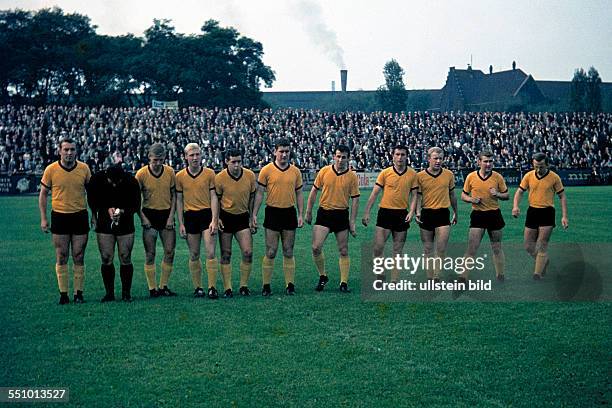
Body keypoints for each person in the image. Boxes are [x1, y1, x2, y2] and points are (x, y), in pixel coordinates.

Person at [39, 138, 91, 304]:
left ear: (76, 151)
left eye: (72, 150)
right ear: (59, 151)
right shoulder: (51, 170)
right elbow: (43, 194)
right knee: (61, 255)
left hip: (80, 215)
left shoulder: (84, 168)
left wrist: (95, 215)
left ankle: (78, 294)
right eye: (66, 149)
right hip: (60, 216)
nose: (69, 153)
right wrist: (44, 218)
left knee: (79, 255)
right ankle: (63, 294)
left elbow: (92, 194)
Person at [252, 138, 304, 296]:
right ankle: (266, 285)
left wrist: (301, 214)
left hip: (289, 212)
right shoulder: (266, 170)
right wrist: (254, 213)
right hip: (272, 212)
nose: (284, 154)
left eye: (287, 151)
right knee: (271, 251)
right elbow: (259, 193)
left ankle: (290, 285)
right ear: (275, 152)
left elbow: (299, 193)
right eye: (281, 151)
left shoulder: (295, 171)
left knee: (288, 251)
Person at [305, 145, 360, 292]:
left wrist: (352, 221)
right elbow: (314, 191)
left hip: (341, 214)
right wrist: (308, 211)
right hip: (324, 213)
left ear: (348, 159)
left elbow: (355, 199)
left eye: (344, 157)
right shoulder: (324, 171)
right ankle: (323, 275)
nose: (340, 159)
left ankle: (343, 283)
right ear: (334, 156)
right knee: (316, 247)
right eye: (338, 156)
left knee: (343, 250)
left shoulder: (352, 176)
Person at [362, 145, 418, 283]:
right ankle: (380, 275)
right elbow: (375, 193)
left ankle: (394, 279)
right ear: (392, 156)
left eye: (403, 154)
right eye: (397, 154)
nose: (400, 157)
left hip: (402, 214)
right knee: (378, 248)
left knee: (397, 249)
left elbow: (415, 195)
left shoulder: (412, 174)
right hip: (385, 213)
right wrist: (367, 212)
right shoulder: (385, 173)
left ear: (406, 156)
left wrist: (412, 211)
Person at [87, 160, 141, 301]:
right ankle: (109, 293)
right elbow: (92, 201)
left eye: (118, 182)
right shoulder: (97, 179)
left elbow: (136, 205)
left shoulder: (131, 181)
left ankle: (126, 293)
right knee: (106, 257)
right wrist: (103, 210)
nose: (115, 185)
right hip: (104, 221)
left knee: (125, 256)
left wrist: (122, 210)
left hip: (126, 221)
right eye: (112, 182)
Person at [512, 152, 569, 279]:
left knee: (542, 244)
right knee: (528, 246)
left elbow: (562, 196)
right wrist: (515, 206)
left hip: (547, 212)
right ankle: (544, 261)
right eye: (536, 166)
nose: (538, 169)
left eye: (541, 166)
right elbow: (519, 192)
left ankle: (537, 274)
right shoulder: (528, 176)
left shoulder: (554, 177)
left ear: (547, 165)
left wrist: (564, 216)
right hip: (532, 211)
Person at [176, 143, 220, 299]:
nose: (195, 158)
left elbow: (214, 197)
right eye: (192, 155)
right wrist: (181, 223)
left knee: (211, 252)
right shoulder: (180, 176)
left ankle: (212, 287)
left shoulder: (209, 174)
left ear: (201, 155)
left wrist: (215, 219)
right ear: (186, 157)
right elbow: (179, 200)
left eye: (197, 154)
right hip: (190, 217)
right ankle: (198, 287)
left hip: (206, 215)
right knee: (194, 254)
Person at [135, 143, 177, 297]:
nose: (158, 163)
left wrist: (171, 216)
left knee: (169, 252)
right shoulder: (141, 174)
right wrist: (143, 217)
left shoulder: (170, 172)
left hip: (166, 214)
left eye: (160, 160)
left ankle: (163, 285)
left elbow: (174, 196)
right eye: (155, 160)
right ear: (149, 159)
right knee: (150, 253)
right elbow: (135, 199)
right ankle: (152, 288)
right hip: (149, 215)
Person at [460, 151, 509, 281]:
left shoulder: (497, 177)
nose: (488, 164)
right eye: (485, 161)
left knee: (497, 246)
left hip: (494, 215)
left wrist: (497, 194)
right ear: (479, 162)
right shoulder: (471, 177)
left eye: (490, 161)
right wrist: (471, 199)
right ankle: (463, 276)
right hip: (478, 215)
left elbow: (507, 195)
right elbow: (463, 195)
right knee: (472, 247)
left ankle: (500, 274)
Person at [215, 148, 257, 297]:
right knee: (226, 253)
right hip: (226, 218)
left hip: (242, 218)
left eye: (239, 162)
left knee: (248, 252)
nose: (236, 165)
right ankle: (228, 288)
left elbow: (252, 197)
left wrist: (252, 216)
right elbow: (216, 200)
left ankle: (244, 286)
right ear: (227, 162)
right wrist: (217, 218)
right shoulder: (219, 178)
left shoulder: (250, 175)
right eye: (233, 162)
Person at [415, 147, 458, 281]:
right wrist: (417, 212)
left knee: (441, 248)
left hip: (443, 213)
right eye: (435, 158)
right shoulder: (420, 176)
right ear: (429, 159)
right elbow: (418, 196)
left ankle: (436, 276)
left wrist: (456, 212)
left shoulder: (449, 174)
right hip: (427, 214)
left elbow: (452, 194)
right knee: (428, 248)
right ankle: (429, 277)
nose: (438, 161)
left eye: (441, 158)